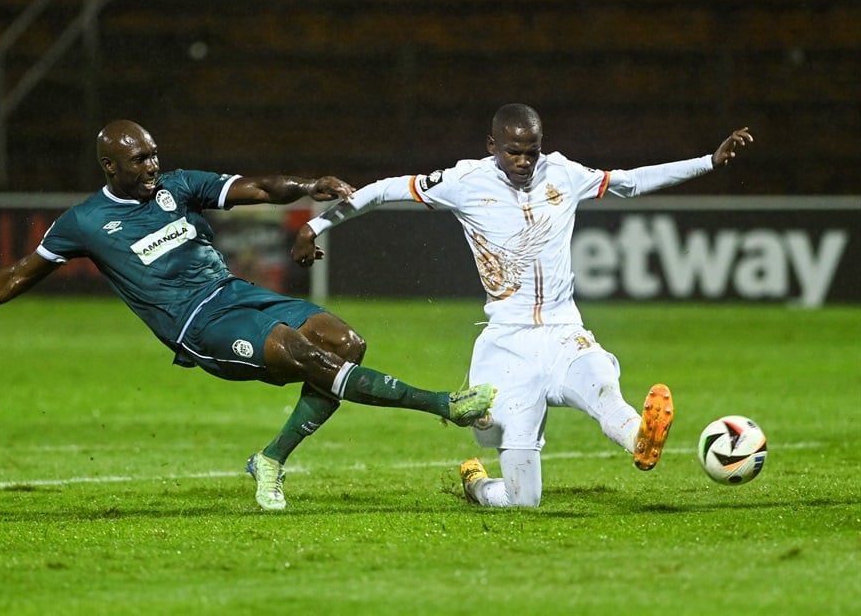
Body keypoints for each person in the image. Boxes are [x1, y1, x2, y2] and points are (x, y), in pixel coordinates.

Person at [0, 119, 495, 511]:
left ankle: (270, 461)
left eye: (154, 155)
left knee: (346, 342)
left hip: (236, 294)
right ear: (110, 168)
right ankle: (444, 404)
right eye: (140, 160)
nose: (152, 166)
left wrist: (308, 184)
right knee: (312, 357)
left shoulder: (177, 185)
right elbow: (18, 274)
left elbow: (256, 188)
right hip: (198, 326)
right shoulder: (85, 223)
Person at [292, 103, 753, 507]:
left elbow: (629, 183)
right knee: (519, 495)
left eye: (532, 150)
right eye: (514, 151)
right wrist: (315, 227)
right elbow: (382, 191)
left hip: (562, 331)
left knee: (602, 386)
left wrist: (708, 162)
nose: (525, 161)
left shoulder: (563, 173)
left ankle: (640, 437)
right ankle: (477, 483)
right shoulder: (463, 181)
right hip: (506, 344)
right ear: (492, 144)